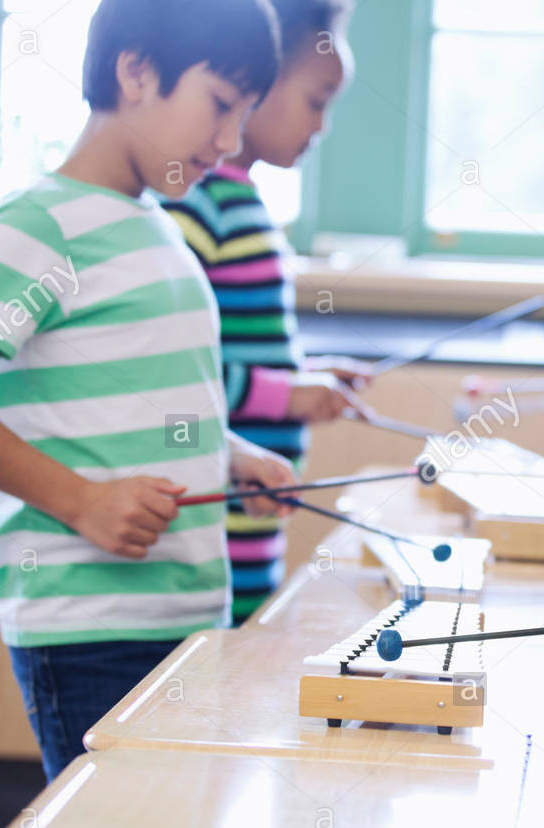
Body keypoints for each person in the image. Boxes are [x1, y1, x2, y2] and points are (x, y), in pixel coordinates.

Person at [0, 0, 295, 780]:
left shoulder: (158, 228)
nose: (232, 142)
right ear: (136, 72)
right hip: (90, 632)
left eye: (244, 115)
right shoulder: (41, 227)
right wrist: (79, 500)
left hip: (187, 620)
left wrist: (231, 455)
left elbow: (141, 397)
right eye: (219, 105)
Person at [164, 0, 368, 624]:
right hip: (214, 514)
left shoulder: (241, 204)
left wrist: (310, 376)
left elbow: (241, 352)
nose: (323, 125)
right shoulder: (201, 204)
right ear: (257, 79)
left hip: (252, 519)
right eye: (316, 100)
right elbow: (170, 373)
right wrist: (290, 397)